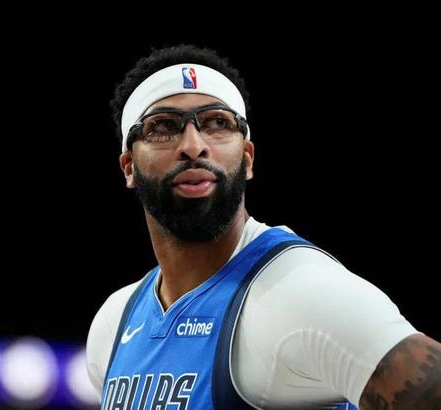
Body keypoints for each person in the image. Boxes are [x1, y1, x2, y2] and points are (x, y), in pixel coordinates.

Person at [85, 44, 441, 410]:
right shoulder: (113, 323)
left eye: (217, 123)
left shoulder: (301, 293)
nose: (193, 146)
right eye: (163, 126)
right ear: (129, 166)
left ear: (247, 157)